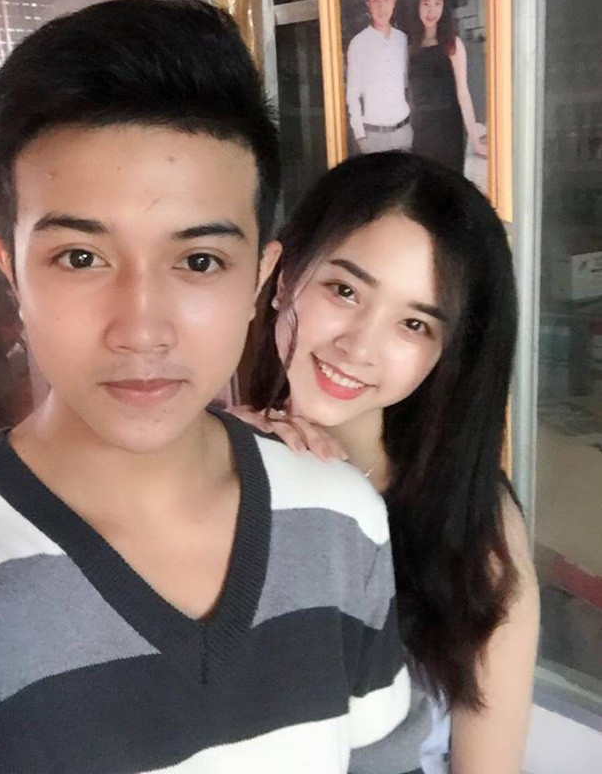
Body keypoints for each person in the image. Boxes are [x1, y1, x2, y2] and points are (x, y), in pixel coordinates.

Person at [0, 0, 410, 773]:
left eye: (198, 261)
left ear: (258, 279)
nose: (142, 330)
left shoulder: (340, 520)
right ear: (11, 273)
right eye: (80, 258)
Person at [232, 152, 540, 774]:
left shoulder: (473, 526)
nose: (359, 346)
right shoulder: (208, 465)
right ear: (283, 278)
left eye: (414, 324)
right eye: (344, 291)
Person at [408, 0, 487, 173]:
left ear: (444, 8)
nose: (431, 10)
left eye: (438, 3)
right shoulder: (411, 45)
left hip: (448, 128)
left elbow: (463, 92)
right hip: (421, 129)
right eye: (426, 3)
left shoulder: (453, 44)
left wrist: (475, 140)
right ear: (418, 5)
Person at [346, 0, 412, 154]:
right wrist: (360, 136)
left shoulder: (403, 40)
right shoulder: (358, 44)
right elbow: (352, 95)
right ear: (368, 4)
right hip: (373, 137)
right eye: (376, 1)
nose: (382, 7)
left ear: (394, 1)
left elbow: (408, 85)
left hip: (404, 132)